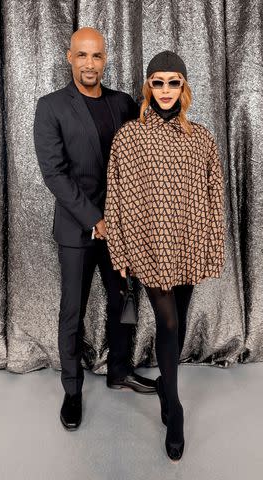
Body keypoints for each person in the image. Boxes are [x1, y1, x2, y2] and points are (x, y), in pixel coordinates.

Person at [33, 27, 156, 432]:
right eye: (82, 56)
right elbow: (55, 173)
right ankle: (72, 389)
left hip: (121, 227)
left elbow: (142, 153)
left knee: (123, 300)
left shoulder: (122, 103)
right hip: (78, 227)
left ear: (105, 59)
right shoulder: (50, 107)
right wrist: (95, 219)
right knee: (72, 309)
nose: (89, 64)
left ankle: (119, 370)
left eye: (97, 56)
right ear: (70, 57)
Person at [104, 50, 225, 461]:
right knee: (168, 323)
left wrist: (211, 245)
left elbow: (214, 197)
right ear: (148, 87)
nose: (167, 90)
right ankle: (174, 409)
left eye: (174, 82)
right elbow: (117, 197)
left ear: (184, 86)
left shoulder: (202, 138)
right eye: (159, 82)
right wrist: (119, 248)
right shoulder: (129, 137)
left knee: (180, 322)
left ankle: (168, 395)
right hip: (149, 246)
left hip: (188, 245)